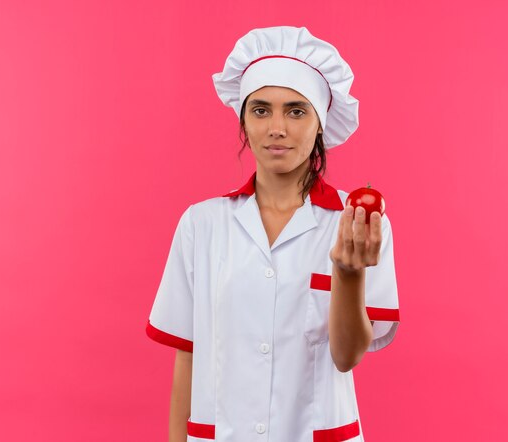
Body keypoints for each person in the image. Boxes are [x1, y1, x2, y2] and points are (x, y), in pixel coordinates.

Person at [146, 26, 400, 442]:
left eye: (296, 111)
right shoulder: (202, 224)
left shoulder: (356, 223)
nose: (276, 127)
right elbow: (188, 357)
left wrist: (348, 273)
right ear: (243, 120)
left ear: (321, 124)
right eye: (260, 110)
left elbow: (346, 355)